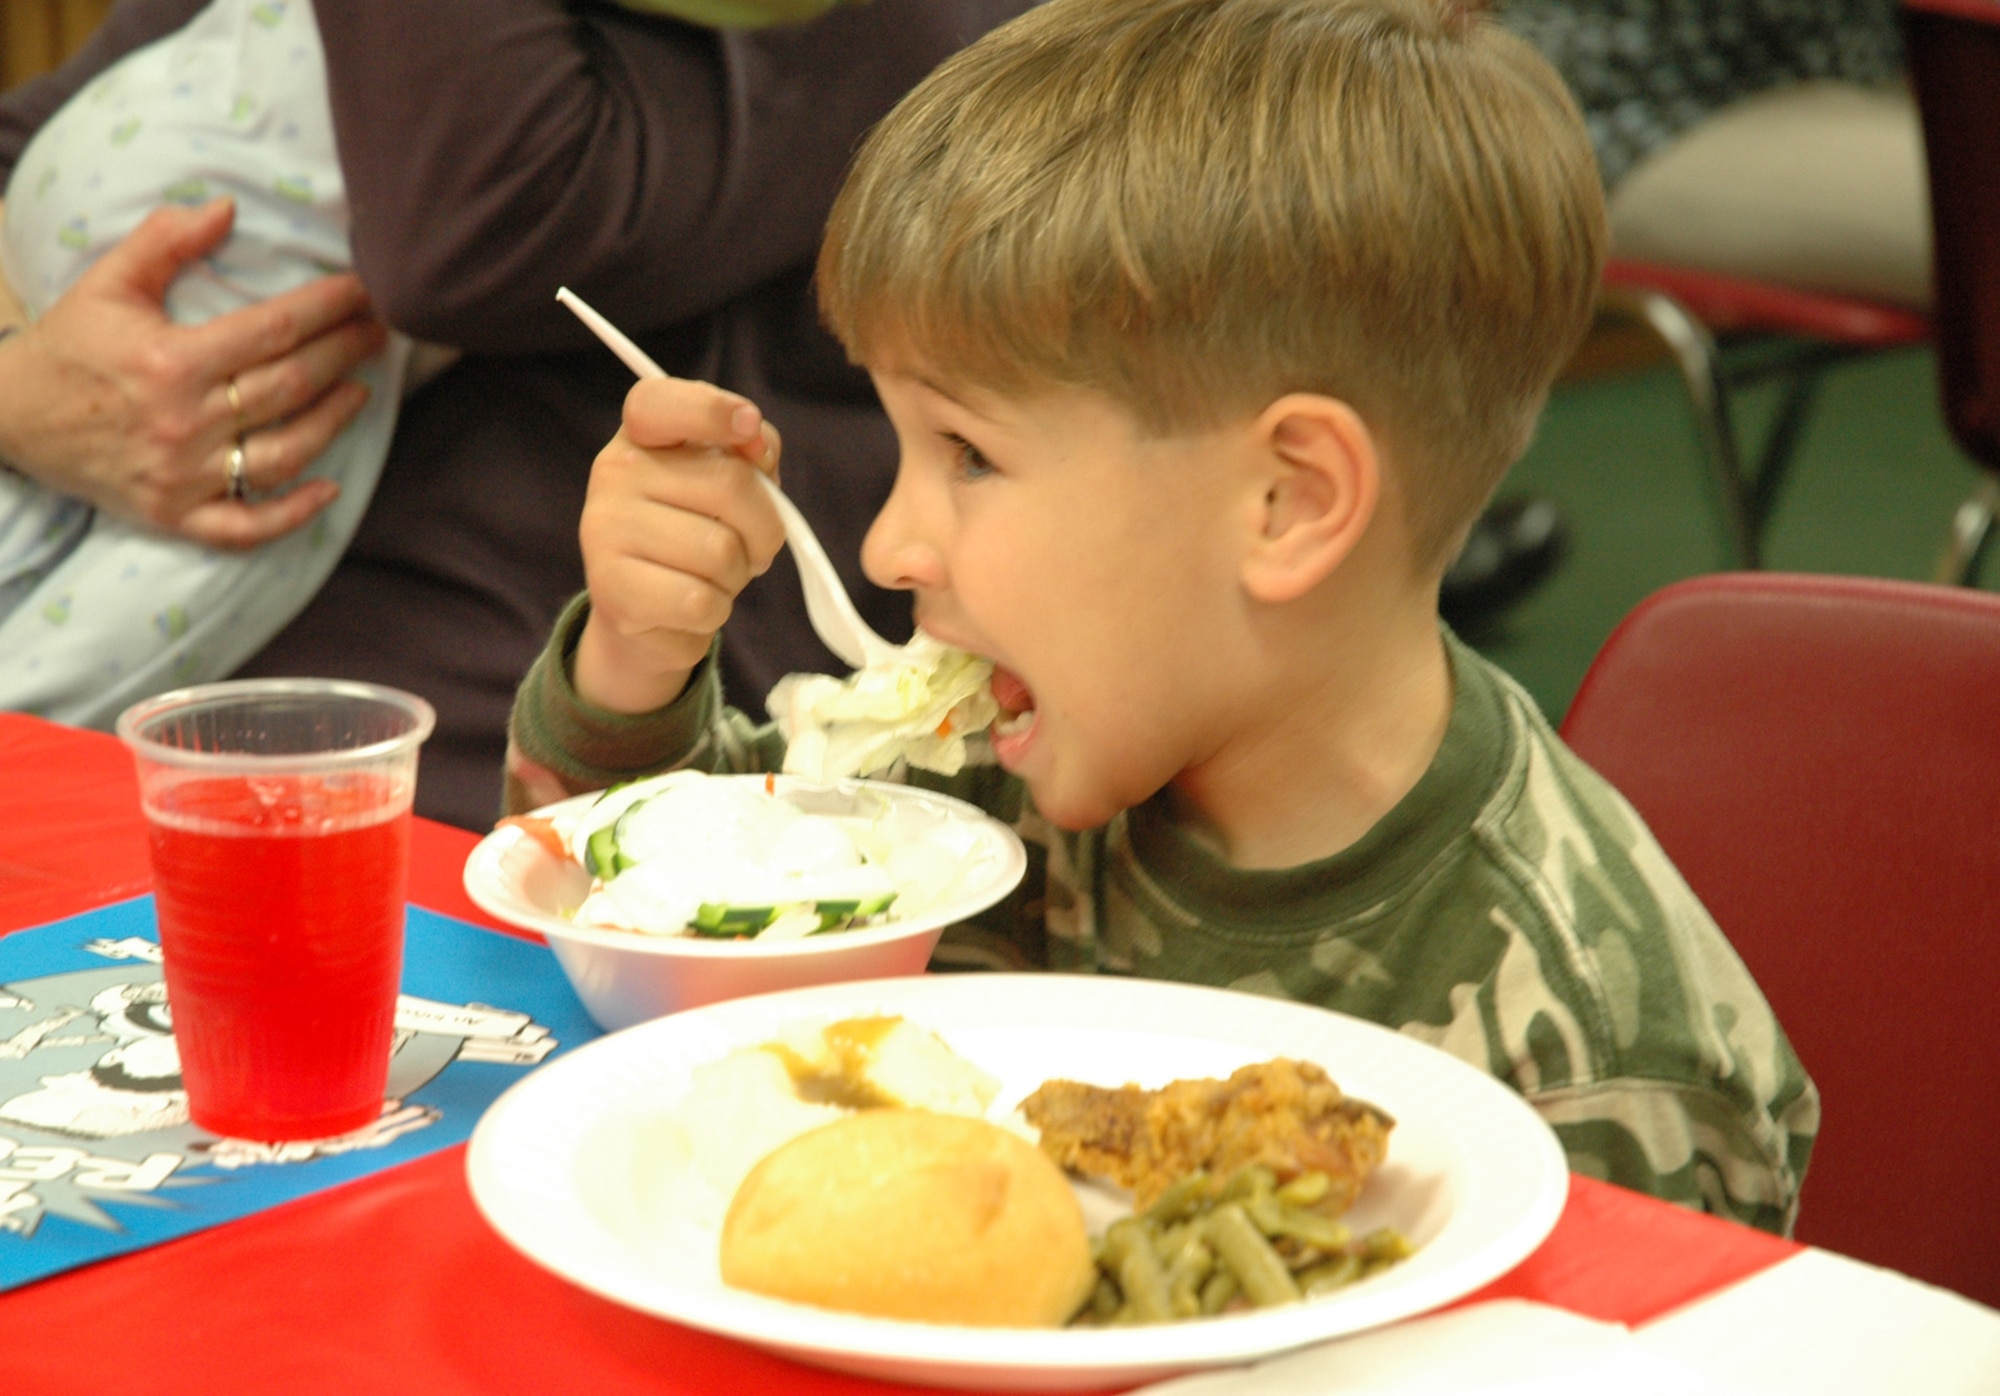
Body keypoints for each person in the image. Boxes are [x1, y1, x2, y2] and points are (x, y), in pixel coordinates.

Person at [505, 0, 1820, 1232]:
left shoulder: (1587, 1063)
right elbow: (656, 939)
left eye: (967, 451)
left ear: (1285, 505)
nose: (890, 545)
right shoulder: (973, 795)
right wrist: (639, 656)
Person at [0, 0, 1036, 829]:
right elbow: (30, 144)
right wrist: (21, 392)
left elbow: (467, 224)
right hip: (218, 776)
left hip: (651, 787)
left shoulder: (954, 39)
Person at [0, 0, 449, 725]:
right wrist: (16, 386)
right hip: (239, 246)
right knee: (262, 506)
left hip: (109, 167)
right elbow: (457, 257)